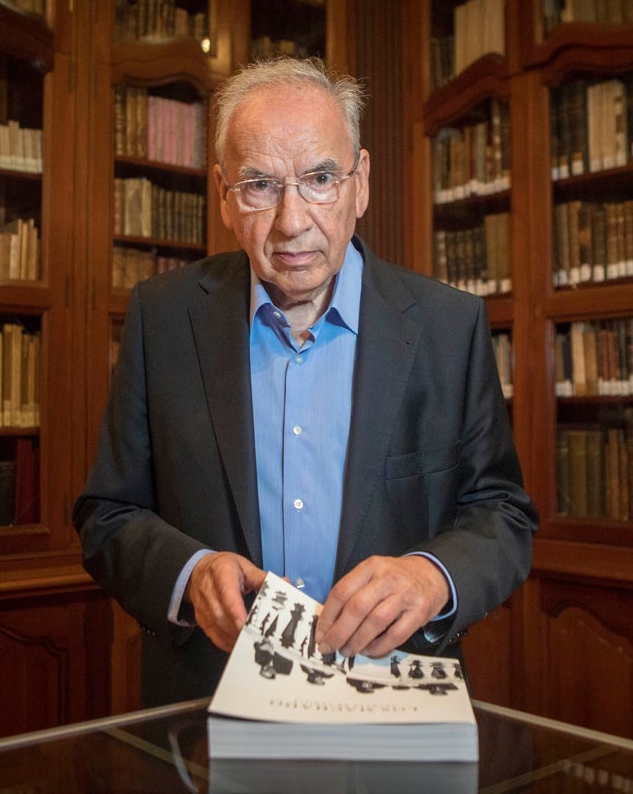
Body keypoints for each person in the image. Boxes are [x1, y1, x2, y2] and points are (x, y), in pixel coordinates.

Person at [73, 55, 537, 707]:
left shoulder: (447, 326)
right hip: (210, 702)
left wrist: (432, 577)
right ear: (224, 194)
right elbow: (108, 513)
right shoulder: (162, 318)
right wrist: (187, 572)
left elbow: (503, 513)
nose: (292, 222)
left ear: (361, 183)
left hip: (391, 701)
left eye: (320, 178)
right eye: (260, 185)